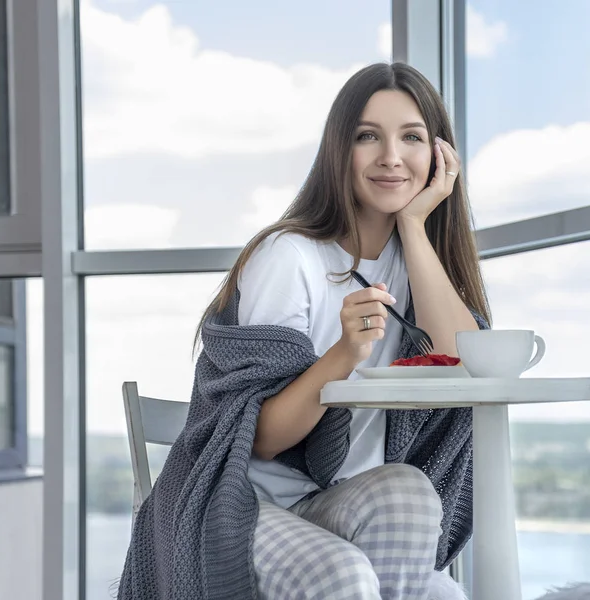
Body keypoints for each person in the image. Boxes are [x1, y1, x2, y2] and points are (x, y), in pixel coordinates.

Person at [117, 62, 491, 600]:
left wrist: (413, 226)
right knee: (340, 575)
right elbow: (263, 441)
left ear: (438, 156)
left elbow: (463, 366)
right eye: (368, 136)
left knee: (410, 493)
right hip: (237, 502)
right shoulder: (287, 257)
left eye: (411, 137)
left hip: (334, 502)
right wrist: (343, 353)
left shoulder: (417, 265)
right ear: (340, 150)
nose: (390, 156)